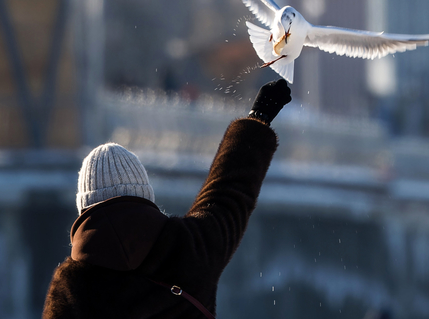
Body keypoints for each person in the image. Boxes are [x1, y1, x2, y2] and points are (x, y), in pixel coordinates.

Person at [42, 79, 292, 318]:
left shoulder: (71, 288)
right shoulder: (188, 248)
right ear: (145, 196)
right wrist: (259, 116)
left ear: (84, 209)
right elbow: (228, 193)